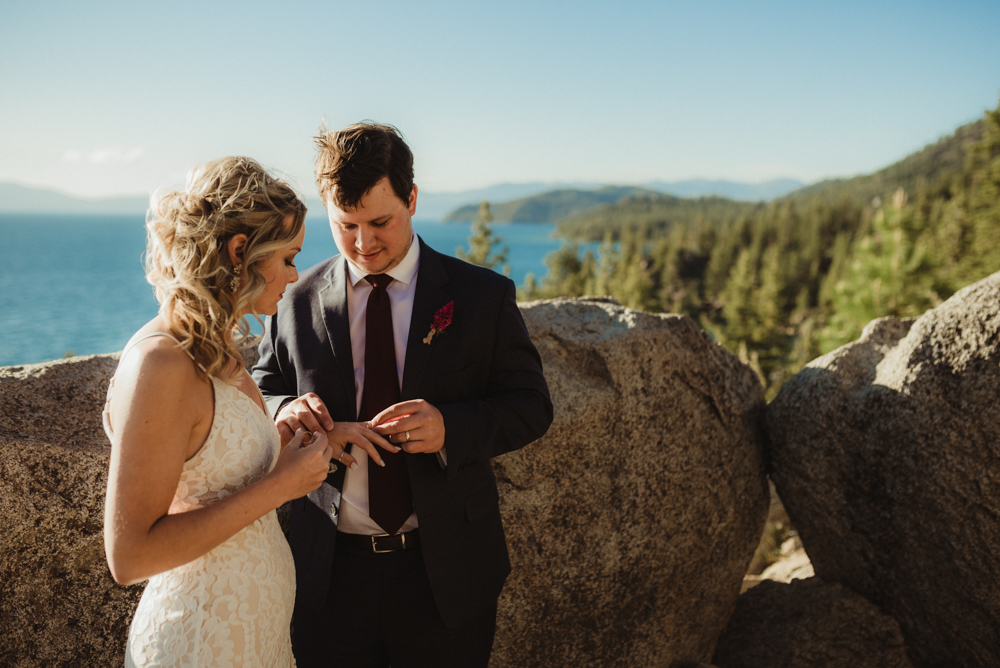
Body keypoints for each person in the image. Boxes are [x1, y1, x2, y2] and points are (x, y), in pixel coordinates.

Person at [252, 122, 553, 668]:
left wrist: (450, 428)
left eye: (380, 222)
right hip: (326, 575)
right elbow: (263, 387)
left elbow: (531, 405)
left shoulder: (482, 296)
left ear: (411, 199)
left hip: (445, 577)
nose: (364, 243)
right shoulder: (293, 300)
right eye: (346, 225)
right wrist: (285, 411)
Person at [102, 156, 394, 667]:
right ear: (241, 251)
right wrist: (281, 485)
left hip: (254, 636)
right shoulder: (160, 363)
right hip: (199, 639)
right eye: (287, 257)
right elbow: (130, 556)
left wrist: (292, 439)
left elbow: (211, 467)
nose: (295, 274)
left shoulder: (214, 347)